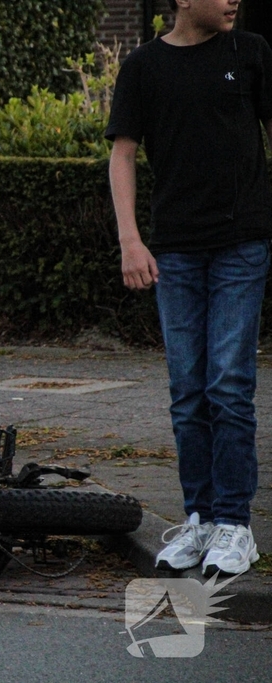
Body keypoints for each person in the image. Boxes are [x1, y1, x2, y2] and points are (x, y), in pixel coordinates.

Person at [106, 0, 272, 576]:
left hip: (241, 244)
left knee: (228, 384)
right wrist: (131, 241)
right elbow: (122, 154)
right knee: (187, 392)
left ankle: (235, 525)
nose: (233, 0)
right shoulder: (144, 66)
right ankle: (200, 520)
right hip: (175, 252)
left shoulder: (249, 53)